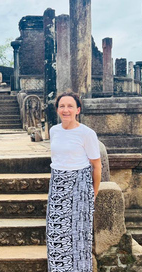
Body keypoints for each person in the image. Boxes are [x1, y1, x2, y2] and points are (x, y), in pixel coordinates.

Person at [46, 91, 102, 272]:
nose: (66, 110)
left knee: (79, 238)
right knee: (56, 235)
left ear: (78, 110)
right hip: (57, 186)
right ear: (57, 110)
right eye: (62, 106)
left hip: (80, 187)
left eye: (70, 106)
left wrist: (94, 193)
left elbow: (97, 166)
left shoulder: (87, 133)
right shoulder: (54, 131)